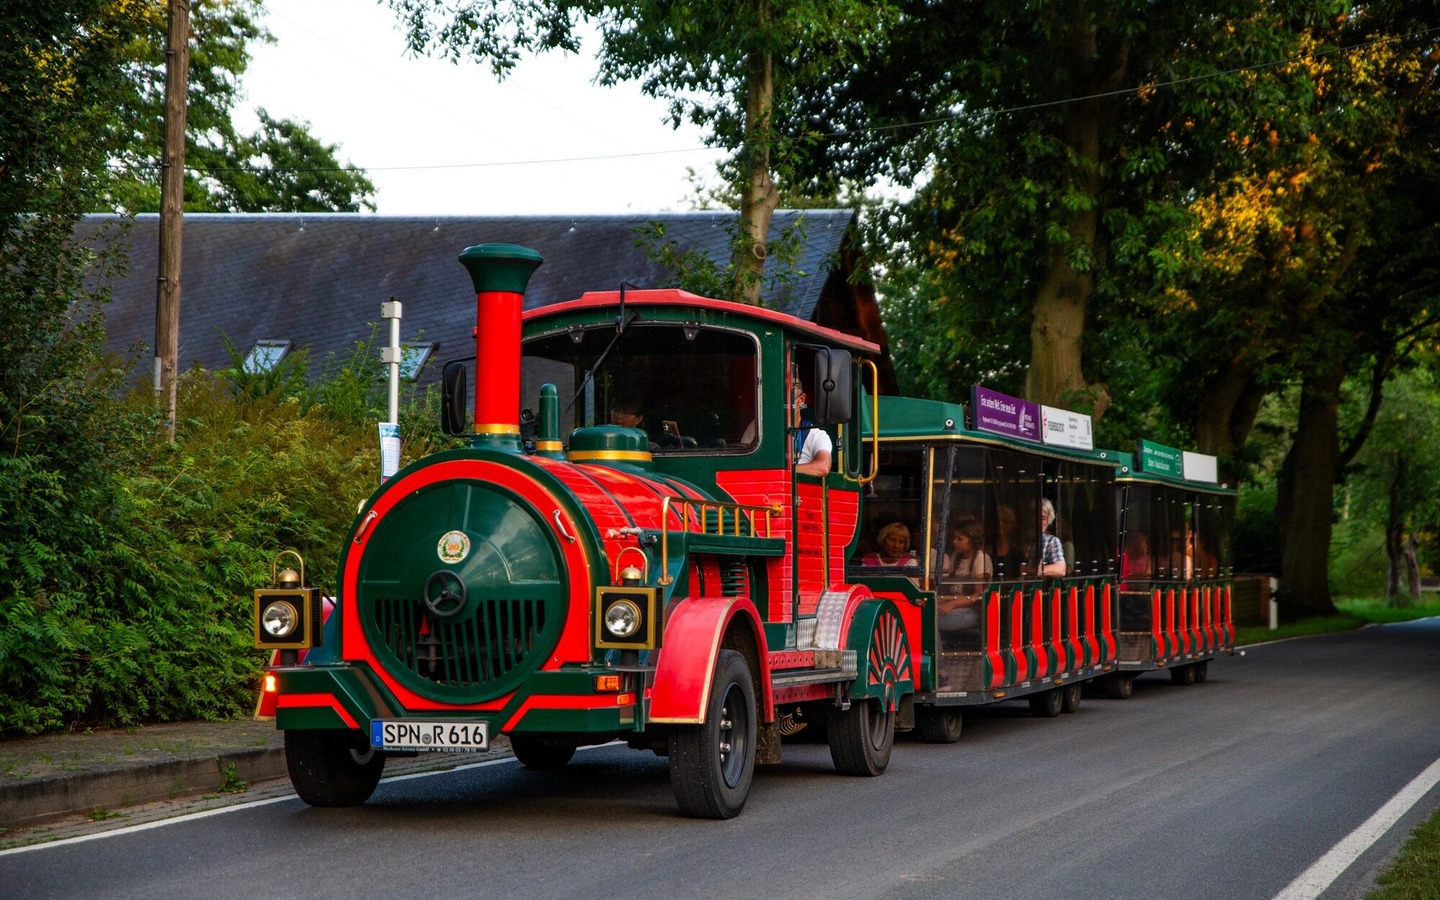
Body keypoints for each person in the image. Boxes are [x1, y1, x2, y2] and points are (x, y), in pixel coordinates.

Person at [942, 516, 993, 594]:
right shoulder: (955, 556)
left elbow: (978, 594)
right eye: (954, 538)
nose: (954, 541)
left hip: (972, 605)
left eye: (960, 539)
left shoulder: (980, 557)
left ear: (973, 540)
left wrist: (952, 604)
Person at [791, 384, 832, 476]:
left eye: (788, 401)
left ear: (801, 400)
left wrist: (784, 471)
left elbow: (823, 467)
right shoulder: (758, 430)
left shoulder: (816, 436)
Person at [1037, 498, 1067, 577]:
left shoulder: (1051, 541)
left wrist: (1035, 570)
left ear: (1048, 521)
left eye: (1042, 518)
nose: (1036, 521)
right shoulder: (1015, 539)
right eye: (1033, 516)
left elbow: (1061, 569)